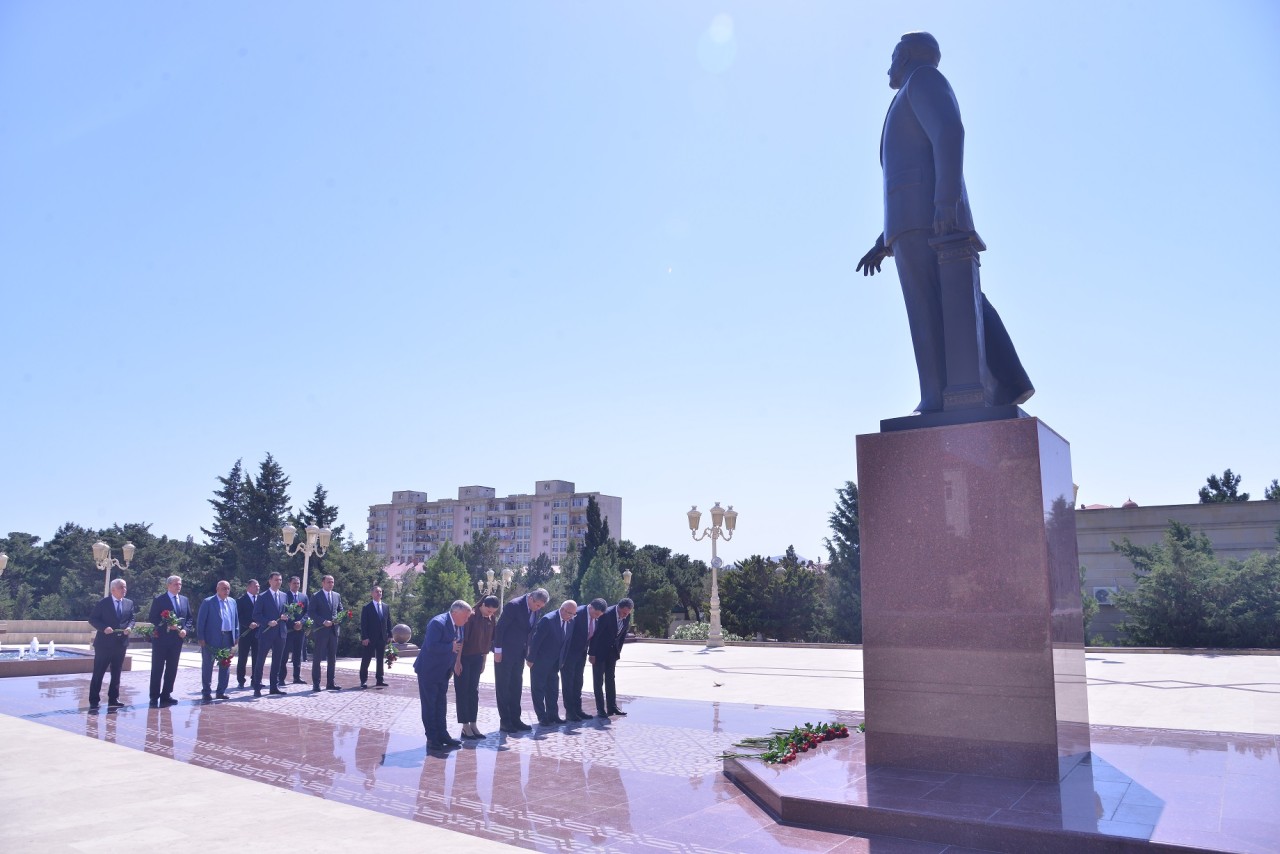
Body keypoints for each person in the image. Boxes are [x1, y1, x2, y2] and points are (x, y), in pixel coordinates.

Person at [856, 31, 1033, 415]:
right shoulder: (906, 94)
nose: (889, 65)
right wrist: (884, 240)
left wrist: (944, 202)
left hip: (930, 218)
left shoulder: (923, 80)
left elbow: (949, 132)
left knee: (932, 307)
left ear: (903, 56)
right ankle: (1009, 380)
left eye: (892, 56)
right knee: (955, 302)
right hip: (909, 223)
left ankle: (937, 396)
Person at [415, 600, 472, 750]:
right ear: (456, 613)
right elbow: (430, 646)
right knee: (430, 705)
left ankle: (443, 734)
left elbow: (458, 646)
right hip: (429, 670)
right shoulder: (437, 623)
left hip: (444, 671)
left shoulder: (459, 625)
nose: (467, 620)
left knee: (441, 704)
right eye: (466, 616)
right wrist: (450, 646)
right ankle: (432, 738)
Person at [492, 587, 549, 733]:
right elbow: (500, 628)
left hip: (519, 654)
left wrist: (528, 650)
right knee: (503, 687)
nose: (538, 609)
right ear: (531, 598)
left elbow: (529, 631)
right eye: (537, 605)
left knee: (516, 686)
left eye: (541, 607)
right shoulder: (514, 605)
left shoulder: (536, 608)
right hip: (504, 653)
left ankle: (515, 719)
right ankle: (505, 721)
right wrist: (498, 650)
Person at [454, 595, 499, 739]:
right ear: (483, 605)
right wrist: (457, 661)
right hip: (464, 658)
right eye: (488, 610)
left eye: (493, 612)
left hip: (478, 658)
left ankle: (473, 723)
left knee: (473, 691)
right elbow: (461, 640)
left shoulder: (491, 619)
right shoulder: (471, 616)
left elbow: (488, 642)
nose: (490, 614)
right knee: (463, 691)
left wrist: (484, 661)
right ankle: (465, 725)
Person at [87, 578, 135, 711]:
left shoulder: (129, 603)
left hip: (120, 644)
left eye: (125, 587)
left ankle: (113, 698)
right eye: (121, 587)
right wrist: (104, 628)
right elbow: (93, 619)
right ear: (113, 589)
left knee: (116, 672)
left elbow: (131, 618)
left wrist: (130, 627)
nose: (124, 590)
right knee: (99, 672)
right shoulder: (103, 603)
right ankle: (94, 700)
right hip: (104, 644)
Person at [527, 600, 577, 725]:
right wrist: (530, 659)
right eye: (570, 613)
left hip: (555, 663)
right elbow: (536, 641)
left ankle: (553, 715)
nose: (571, 616)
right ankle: (542, 716)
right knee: (538, 689)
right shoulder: (548, 620)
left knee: (553, 690)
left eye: (573, 614)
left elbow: (567, 643)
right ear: (563, 609)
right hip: (540, 661)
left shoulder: (571, 621)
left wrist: (563, 660)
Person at [148, 575, 192, 707]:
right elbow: (153, 618)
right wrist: (166, 625)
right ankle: (154, 696)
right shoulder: (160, 599)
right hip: (161, 639)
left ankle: (166, 694)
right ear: (168, 585)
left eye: (180, 584)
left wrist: (185, 630)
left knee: (172, 668)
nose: (178, 586)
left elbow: (189, 618)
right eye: (175, 584)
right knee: (157, 668)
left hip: (176, 640)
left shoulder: (184, 600)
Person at [562, 598, 605, 722]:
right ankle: (570, 712)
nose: (597, 617)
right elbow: (567, 633)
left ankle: (578, 709)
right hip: (569, 654)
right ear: (590, 607)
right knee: (568, 683)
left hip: (581, 654)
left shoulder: (595, 618)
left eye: (599, 615)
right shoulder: (578, 613)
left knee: (578, 681)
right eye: (596, 614)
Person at [589, 597, 633, 717]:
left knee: (610, 679)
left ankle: (612, 707)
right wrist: (592, 653)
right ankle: (600, 709)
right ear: (618, 607)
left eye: (628, 613)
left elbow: (622, 635)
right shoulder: (606, 614)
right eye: (624, 612)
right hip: (599, 653)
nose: (625, 615)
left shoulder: (627, 616)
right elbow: (596, 635)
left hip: (612, 653)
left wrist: (618, 651)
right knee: (598, 681)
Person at [196, 580, 239, 701]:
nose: (226, 591)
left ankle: (221, 691)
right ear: (217, 589)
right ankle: (206, 691)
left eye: (228, 588)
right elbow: (201, 621)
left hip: (227, 638)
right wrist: (201, 638)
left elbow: (235, 620)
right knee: (208, 665)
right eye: (223, 588)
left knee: (225, 665)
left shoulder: (232, 602)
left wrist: (236, 636)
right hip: (211, 639)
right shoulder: (208, 602)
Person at [251, 571, 290, 697]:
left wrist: (286, 616)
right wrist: (267, 622)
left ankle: (274, 686)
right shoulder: (262, 596)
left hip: (280, 633)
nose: (278, 582)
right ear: (270, 581)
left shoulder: (284, 596)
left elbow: (288, 612)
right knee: (260, 660)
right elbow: (256, 615)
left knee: (277, 661)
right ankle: (257, 686)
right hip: (266, 634)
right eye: (276, 580)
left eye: (280, 580)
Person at [309, 574, 344, 691]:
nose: (331, 584)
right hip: (321, 631)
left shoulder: (337, 595)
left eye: (332, 582)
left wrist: (339, 619)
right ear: (323, 583)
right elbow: (311, 613)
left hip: (333, 631)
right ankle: (316, 683)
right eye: (328, 582)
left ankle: (330, 683)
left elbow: (340, 610)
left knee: (332, 658)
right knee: (318, 658)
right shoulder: (316, 596)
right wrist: (323, 621)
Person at [359, 585, 392, 689]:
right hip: (370, 638)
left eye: (380, 592)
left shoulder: (386, 607)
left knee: (380, 660)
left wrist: (390, 635)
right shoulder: (367, 607)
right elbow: (363, 624)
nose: (379, 594)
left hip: (382, 638)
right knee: (366, 660)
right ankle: (363, 681)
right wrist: (364, 637)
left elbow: (388, 622)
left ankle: (380, 679)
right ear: (372, 594)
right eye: (377, 592)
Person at [278, 575, 307, 685]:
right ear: (289, 584)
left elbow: (307, 612)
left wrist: (302, 622)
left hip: (300, 631)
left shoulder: (303, 597)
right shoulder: (284, 596)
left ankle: (297, 677)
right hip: (288, 630)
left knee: (297, 655)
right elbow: (283, 611)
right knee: (284, 655)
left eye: (298, 583)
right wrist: (292, 624)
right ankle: (281, 678)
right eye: (294, 583)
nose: (296, 585)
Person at [235, 579, 261, 689]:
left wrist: (260, 622)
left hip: (258, 633)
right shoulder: (241, 600)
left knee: (257, 657)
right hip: (245, 633)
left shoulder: (260, 599)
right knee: (243, 657)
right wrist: (248, 624)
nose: (258, 588)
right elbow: (238, 616)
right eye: (255, 586)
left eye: (258, 586)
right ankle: (241, 680)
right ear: (249, 587)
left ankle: (255, 679)